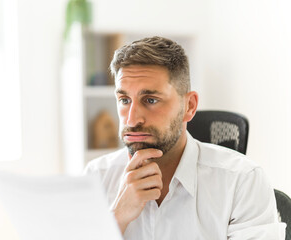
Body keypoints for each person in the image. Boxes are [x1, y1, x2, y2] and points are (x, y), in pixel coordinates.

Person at [84, 36, 286, 239]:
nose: (132, 118)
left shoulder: (241, 181)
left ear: (189, 106)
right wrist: (116, 218)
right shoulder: (97, 177)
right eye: (124, 100)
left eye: (151, 100)